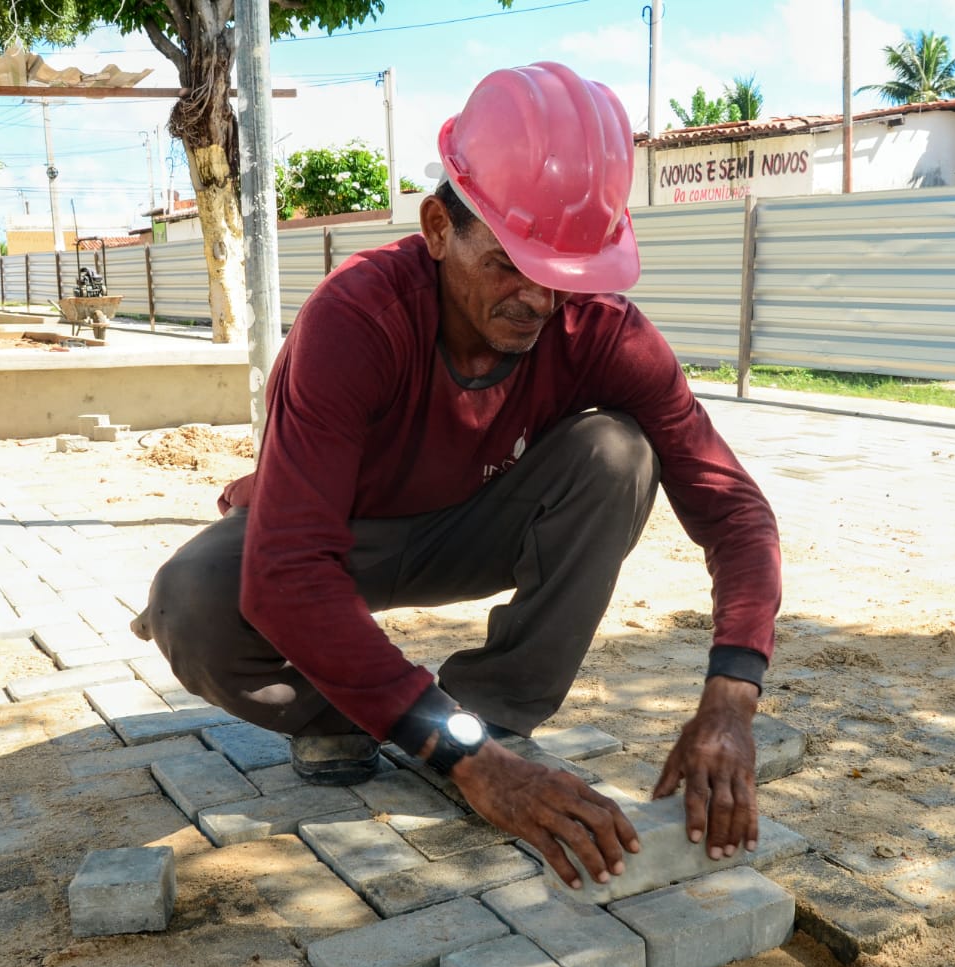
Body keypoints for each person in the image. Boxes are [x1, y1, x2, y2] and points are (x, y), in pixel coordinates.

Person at [137, 62, 782, 892]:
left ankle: (493, 712)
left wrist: (731, 700)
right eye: (509, 264)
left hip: (475, 521)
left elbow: (734, 511)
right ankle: (390, 723)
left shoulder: (602, 331)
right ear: (439, 227)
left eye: (563, 274)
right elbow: (291, 571)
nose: (538, 301)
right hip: (345, 536)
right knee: (188, 602)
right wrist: (464, 761)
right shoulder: (357, 320)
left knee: (618, 452)